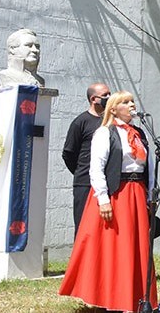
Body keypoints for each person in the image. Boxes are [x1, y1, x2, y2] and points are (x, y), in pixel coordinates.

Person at [59, 91, 158, 311]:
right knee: (114, 247)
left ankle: (136, 298)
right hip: (116, 193)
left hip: (137, 193)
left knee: (137, 246)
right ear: (113, 109)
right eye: (126, 102)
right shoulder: (105, 133)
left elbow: (148, 167)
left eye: (132, 101)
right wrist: (103, 199)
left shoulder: (140, 133)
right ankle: (112, 297)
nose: (132, 104)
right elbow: (96, 168)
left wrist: (150, 195)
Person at [62, 82, 111, 235]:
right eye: (105, 96)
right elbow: (69, 153)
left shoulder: (110, 122)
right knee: (84, 228)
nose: (109, 98)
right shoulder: (80, 122)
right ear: (93, 99)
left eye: (109, 94)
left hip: (107, 183)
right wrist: (82, 172)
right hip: (85, 183)